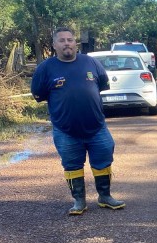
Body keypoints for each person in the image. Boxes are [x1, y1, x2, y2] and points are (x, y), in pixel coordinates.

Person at [31, 27, 125, 216]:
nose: (67, 43)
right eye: (62, 40)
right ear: (54, 45)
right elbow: (38, 95)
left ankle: (105, 196)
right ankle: (79, 201)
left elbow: (102, 85)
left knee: (104, 159)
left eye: (70, 40)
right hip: (65, 130)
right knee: (72, 165)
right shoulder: (45, 68)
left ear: (75, 43)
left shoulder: (91, 62)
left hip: (97, 127)